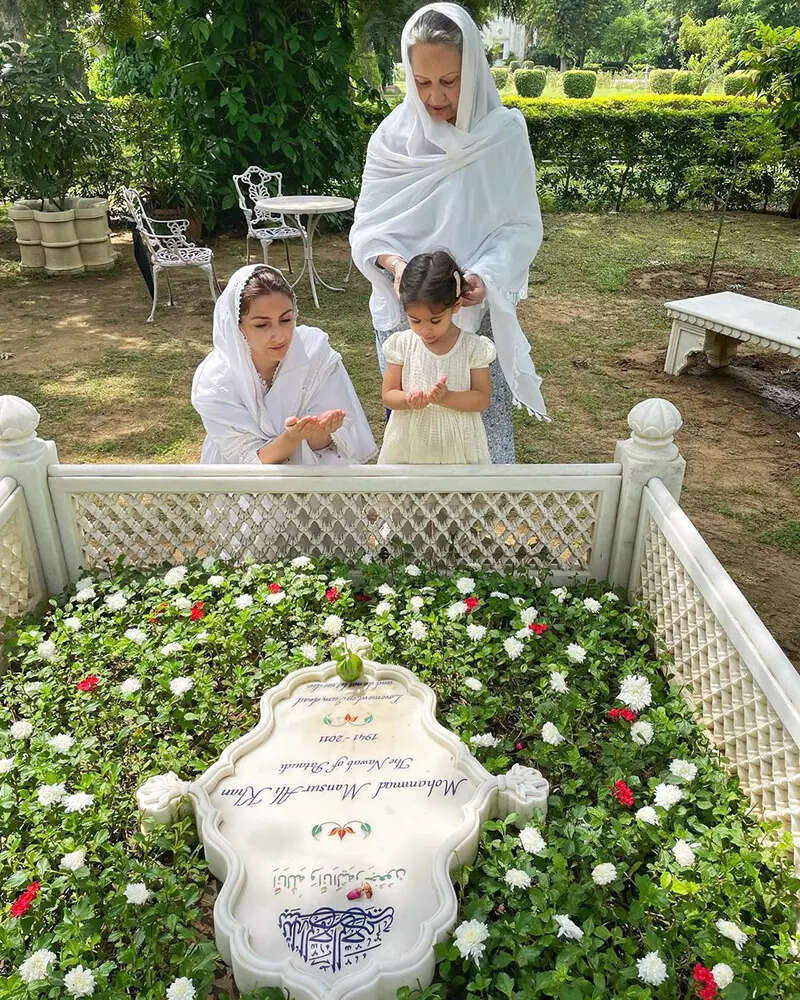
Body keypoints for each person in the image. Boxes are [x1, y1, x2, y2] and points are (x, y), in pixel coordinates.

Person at [349, 2, 548, 464]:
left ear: (474, 72)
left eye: (449, 82)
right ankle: (412, 528)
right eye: (421, 83)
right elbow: (368, 229)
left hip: (471, 313)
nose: (434, 97)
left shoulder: (502, 134)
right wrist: (395, 267)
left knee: (477, 419)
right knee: (414, 422)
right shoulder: (391, 138)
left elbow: (520, 226)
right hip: (410, 316)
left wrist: (483, 277)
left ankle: (476, 526)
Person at [191, 264, 376, 465]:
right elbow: (246, 460)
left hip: (315, 465)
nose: (279, 335)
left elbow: (332, 442)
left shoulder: (315, 353)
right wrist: (292, 438)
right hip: (243, 479)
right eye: (262, 324)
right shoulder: (215, 380)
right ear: (237, 326)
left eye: (286, 319)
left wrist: (321, 431)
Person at [378, 251, 495, 464]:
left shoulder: (472, 347)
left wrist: (446, 398)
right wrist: (407, 399)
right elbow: (388, 394)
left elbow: (481, 399)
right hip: (410, 444)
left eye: (435, 321)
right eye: (415, 320)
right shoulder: (402, 344)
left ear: (456, 306)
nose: (425, 330)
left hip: (458, 446)